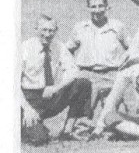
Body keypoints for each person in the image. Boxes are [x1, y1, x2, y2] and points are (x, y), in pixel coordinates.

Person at [20, 16, 93, 144]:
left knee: (83, 84)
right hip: (29, 98)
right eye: (44, 30)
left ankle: (68, 131)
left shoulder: (59, 46)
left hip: (50, 95)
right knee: (40, 139)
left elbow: (73, 71)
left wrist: (56, 88)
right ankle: (27, 126)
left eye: (51, 30)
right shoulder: (24, 48)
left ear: (56, 31)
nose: (47, 34)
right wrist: (27, 109)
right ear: (36, 29)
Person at [66, 0, 130, 122]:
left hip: (111, 75)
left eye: (101, 6)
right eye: (93, 7)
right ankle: (79, 124)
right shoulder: (80, 28)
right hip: (87, 75)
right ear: (88, 8)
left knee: (112, 116)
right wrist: (72, 69)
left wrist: (124, 67)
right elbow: (67, 50)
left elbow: (132, 48)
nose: (97, 10)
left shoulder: (117, 27)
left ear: (107, 7)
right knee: (81, 118)